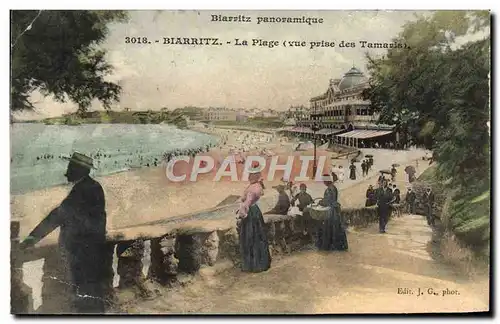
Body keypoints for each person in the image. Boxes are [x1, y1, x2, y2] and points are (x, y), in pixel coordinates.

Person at [20, 152, 108, 313]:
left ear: (79, 169)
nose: (67, 171)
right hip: (91, 253)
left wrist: (31, 239)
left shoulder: (83, 190)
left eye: (70, 167)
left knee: (85, 299)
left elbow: (57, 216)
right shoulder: (92, 187)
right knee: (91, 297)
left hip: (82, 255)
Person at [236, 164, 271, 273]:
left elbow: (247, 203)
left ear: (254, 176)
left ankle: (253, 265)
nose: (248, 177)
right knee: (258, 237)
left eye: (250, 175)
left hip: (251, 213)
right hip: (256, 211)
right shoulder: (258, 186)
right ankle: (261, 263)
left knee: (250, 238)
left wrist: (240, 216)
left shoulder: (253, 188)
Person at [316, 173, 348, 251]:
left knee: (331, 228)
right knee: (335, 229)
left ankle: (331, 247)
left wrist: (321, 202)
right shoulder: (332, 187)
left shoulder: (330, 189)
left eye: (324, 181)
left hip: (332, 212)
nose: (323, 182)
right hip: (334, 211)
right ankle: (337, 246)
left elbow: (329, 201)